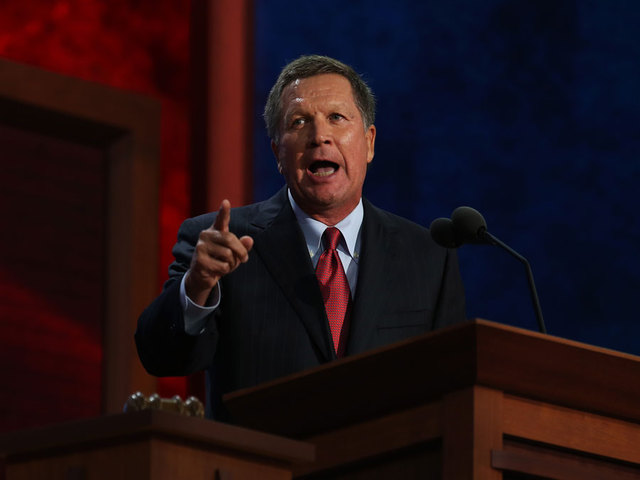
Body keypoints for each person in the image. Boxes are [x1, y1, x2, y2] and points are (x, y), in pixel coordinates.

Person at [135, 55, 466, 421]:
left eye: (336, 118)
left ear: (369, 142)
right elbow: (161, 356)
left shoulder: (428, 259)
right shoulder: (218, 242)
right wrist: (197, 285)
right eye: (299, 121)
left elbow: (453, 392)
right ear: (278, 152)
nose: (319, 136)